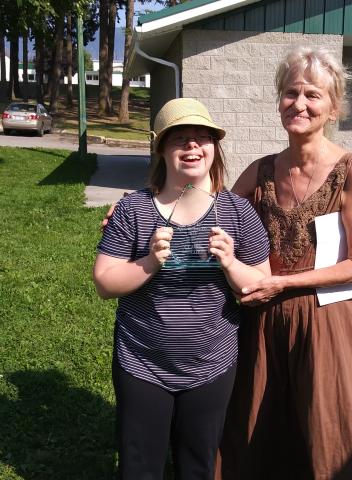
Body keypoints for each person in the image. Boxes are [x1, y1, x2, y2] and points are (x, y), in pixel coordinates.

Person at [215, 46, 352, 479]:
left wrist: (285, 284)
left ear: (333, 107)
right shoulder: (261, 171)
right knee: (259, 428)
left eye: (313, 95)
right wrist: (139, 214)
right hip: (263, 323)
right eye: (291, 93)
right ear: (279, 101)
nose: (300, 104)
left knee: (328, 431)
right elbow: (213, 219)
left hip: (325, 321)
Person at [93, 97, 271, 480]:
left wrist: (230, 262)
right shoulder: (134, 210)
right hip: (141, 363)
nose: (192, 146)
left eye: (202, 138)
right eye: (180, 139)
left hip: (212, 365)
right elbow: (105, 283)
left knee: (198, 465)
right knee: (140, 466)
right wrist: (149, 263)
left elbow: (260, 285)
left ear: (214, 148)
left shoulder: (239, 213)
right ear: (161, 149)